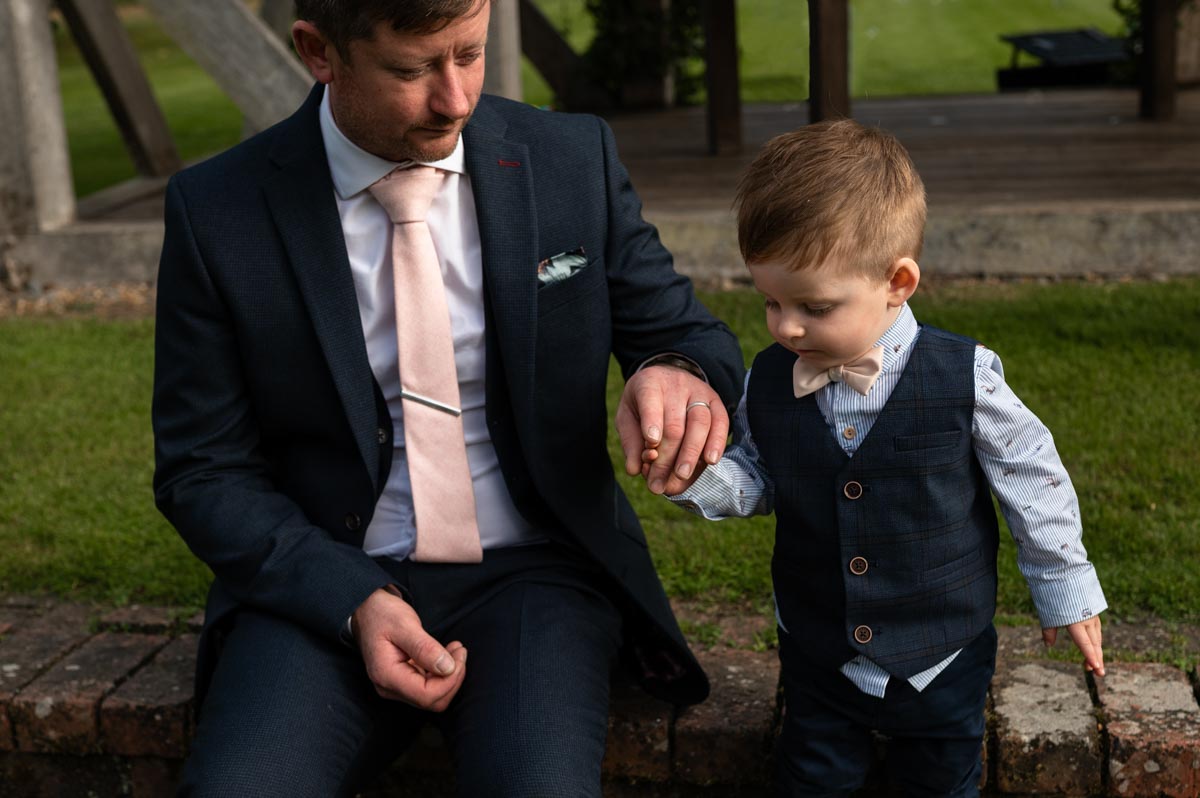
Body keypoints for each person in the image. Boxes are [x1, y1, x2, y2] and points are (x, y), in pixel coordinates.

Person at [150, 0, 743, 794]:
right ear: (319, 52)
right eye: (411, 69)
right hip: (327, 580)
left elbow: (688, 336)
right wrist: (351, 600)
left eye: (471, 54)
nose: (456, 98)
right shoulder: (218, 211)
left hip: (539, 576)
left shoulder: (569, 157)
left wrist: (675, 372)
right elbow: (202, 469)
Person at [657, 119, 1107, 797]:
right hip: (819, 650)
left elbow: (1030, 476)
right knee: (811, 776)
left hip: (941, 653)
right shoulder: (771, 379)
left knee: (941, 780)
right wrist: (700, 474)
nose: (786, 327)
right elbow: (760, 478)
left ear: (897, 282)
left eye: (813, 305)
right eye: (770, 301)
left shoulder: (964, 376)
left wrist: (1063, 589)